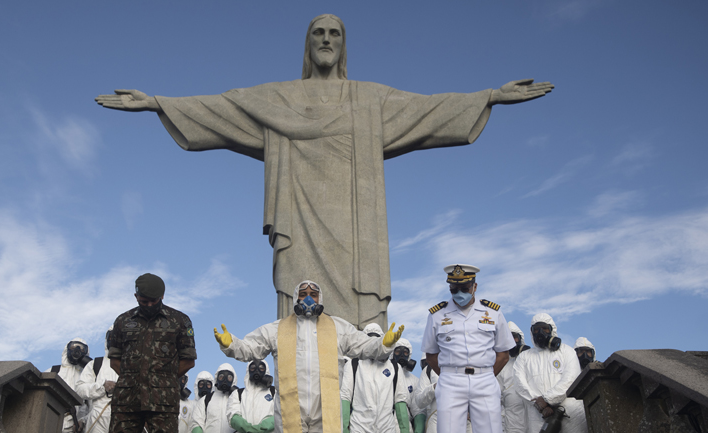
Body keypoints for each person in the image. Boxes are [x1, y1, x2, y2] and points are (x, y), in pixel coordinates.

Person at [95, 14, 554, 331]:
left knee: (360, 327)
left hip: (356, 230)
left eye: (335, 33)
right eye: (318, 33)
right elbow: (223, 107)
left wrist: (490, 96)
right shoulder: (279, 99)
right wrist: (157, 103)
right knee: (301, 315)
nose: (327, 40)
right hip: (299, 221)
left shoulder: (368, 99)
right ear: (308, 44)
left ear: (343, 44)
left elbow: (427, 109)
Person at [214, 280, 405, 432]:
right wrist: (231, 344)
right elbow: (251, 348)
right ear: (295, 298)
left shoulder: (337, 327)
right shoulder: (278, 329)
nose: (308, 298)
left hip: (325, 410)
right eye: (303, 294)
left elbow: (364, 346)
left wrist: (383, 344)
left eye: (313, 295)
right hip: (290, 409)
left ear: (320, 299)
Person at [421, 264, 515, 433]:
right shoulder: (437, 315)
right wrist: (450, 376)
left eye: (464, 288)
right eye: (454, 289)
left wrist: (486, 375)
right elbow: (431, 355)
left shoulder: (493, 313)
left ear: (474, 287)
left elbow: (503, 354)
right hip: (450, 381)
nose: (459, 294)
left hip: (485, 379)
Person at [107, 273, 197, 433]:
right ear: (136, 297)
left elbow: (188, 361)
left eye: (153, 301)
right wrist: (135, 380)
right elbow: (115, 361)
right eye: (144, 301)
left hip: (163, 401)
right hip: (126, 401)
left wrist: (162, 380)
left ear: (162, 296)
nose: (149, 305)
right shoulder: (123, 321)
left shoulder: (180, 321)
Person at [513, 314, 588, 433]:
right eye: (536, 329)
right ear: (531, 332)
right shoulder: (524, 357)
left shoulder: (567, 352)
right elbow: (519, 384)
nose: (540, 332)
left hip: (569, 412)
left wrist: (547, 399)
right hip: (538, 414)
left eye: (544, 328)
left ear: (552, 329)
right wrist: (539, 405)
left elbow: (570, 379)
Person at [340, 324, 411, 433]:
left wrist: (405, 430)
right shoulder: (353, 365)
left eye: (376, 339)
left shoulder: (394, 367)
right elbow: (345, 397)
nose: (373, 344)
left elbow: (400, 400)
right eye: (369, 339)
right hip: (359, 428)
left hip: (386, 428)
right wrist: (344, 429)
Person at [76, 326, 120, 433]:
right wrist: (102, 386)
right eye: (111, 337)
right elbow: (80, 390)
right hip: (98, 421)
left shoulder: (134, 365)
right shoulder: (95, 364)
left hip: (126, 420)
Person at [48, 338, 92, 432]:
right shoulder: (53, 371)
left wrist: (83, 421)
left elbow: (93, 407)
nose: (77, 350)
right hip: (50, 423)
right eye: (73, 347)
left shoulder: (87, 377)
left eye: (81, 348)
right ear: (67, 349)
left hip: (74, 427)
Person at [496, 322, 530, 433]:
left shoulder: (530, 360)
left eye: (514, 337)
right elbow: (497, 396)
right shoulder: (501, 366)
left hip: (532, 413)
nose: (512, 341)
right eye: (508, 337)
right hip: (512, 418)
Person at [227, 360, 276, 433]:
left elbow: (281, 413)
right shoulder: (237, 394)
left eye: (261, 368)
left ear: (266, 371)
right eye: (253, 368)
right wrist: (248, 429)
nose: (257, 371)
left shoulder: (274, 392)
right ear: (248, 371)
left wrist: (262, 428)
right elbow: (233, 416)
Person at [191, 363, 239, 433]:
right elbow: (197, 422)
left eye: (229, 377)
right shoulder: (205, 400)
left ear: (233, 380)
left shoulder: (237, 400)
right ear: (216, 378)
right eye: (221, 377)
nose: (225, 380)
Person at [392, 338, 425, 433]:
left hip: (406, 426)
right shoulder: (384, 376)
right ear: (392, 354)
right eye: (398, 351)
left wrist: (418, 429)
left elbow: (418, 409)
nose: (402, 355)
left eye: (405, 352)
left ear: (409, 355)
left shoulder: (414, 380)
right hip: (384, 423)